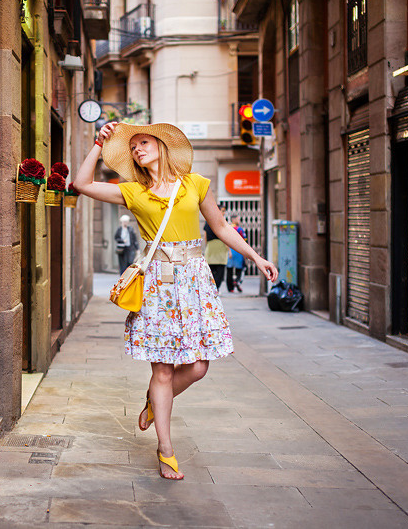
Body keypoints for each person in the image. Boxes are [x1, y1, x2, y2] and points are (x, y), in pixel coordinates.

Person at [73, 121, 278, 480]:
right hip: (157, 285)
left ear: (162, 146)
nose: (138, 149)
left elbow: (221, 227)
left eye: (144, 142)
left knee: (198, 366)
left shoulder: (194, 184)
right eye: (133, 146)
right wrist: (97, 144)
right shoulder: (134, 192)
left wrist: (255, 257)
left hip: (195, 282)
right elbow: (82, 184)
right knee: (163, 370)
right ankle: (166, 448)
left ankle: (155, 401)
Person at [203, 211, 228, 291]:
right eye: (223, 210)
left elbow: (205, 235)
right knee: (220, 271)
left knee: (210, 271)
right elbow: (226, 236)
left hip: (211, 248)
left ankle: (212, 288)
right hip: (220, 247)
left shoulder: (208, 221)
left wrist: (207, 246)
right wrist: (228, 249)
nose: (223, 212)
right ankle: (216, 288)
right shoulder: (222, 221)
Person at [226, 215, 248, 293]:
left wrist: (229, 251)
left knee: (229, 270)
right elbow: (244, 241)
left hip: (230, 251)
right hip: (239, 251)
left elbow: (226, 240)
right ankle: (237, 281)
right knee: (240, 269)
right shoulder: (239, 229)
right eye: (238, 219)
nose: (239, 220)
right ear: (234, 219)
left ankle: (230, 288)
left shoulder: (227, 228)